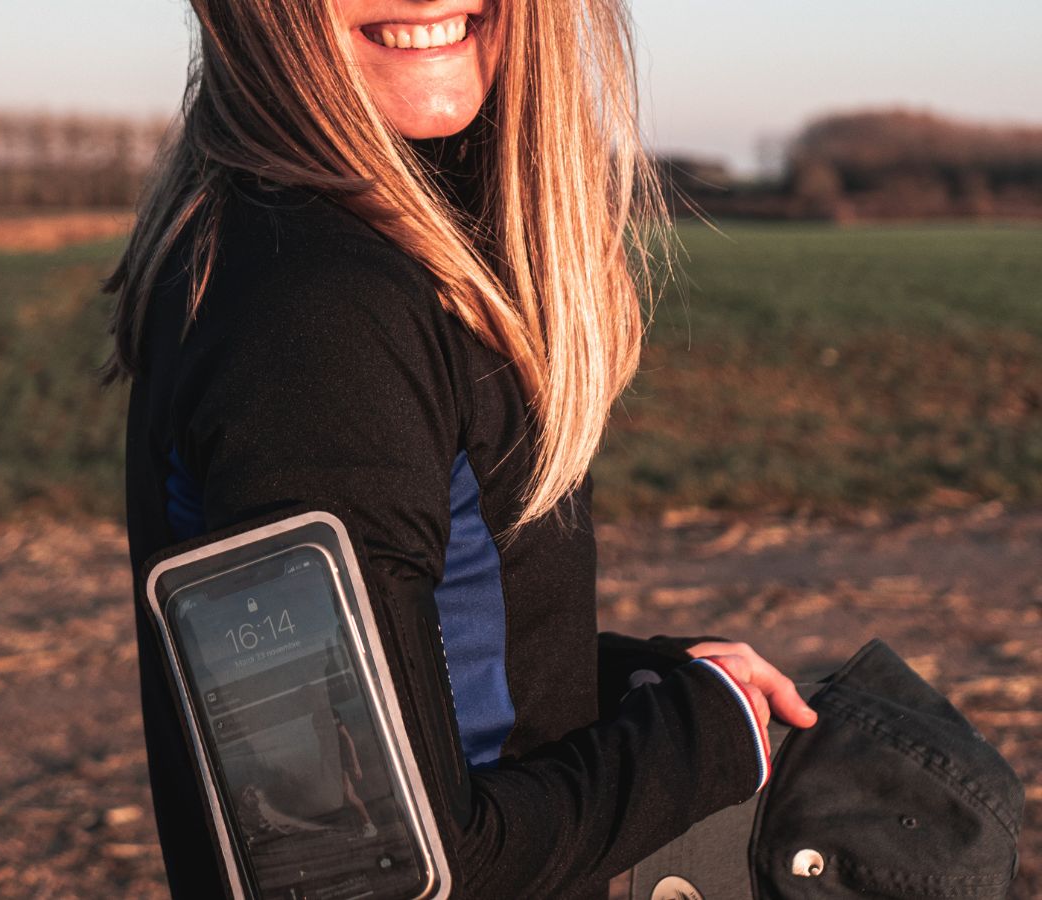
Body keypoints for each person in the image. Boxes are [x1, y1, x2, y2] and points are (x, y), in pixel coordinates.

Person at [104, 1, 818, 897]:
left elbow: (408, 675)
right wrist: (700, 741)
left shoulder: (347, 254)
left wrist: (648, 691)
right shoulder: (321, 313)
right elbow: (371, 867)